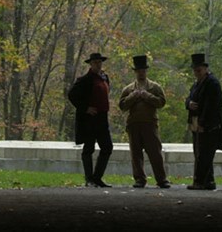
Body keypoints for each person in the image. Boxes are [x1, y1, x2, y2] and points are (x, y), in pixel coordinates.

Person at [119, 55, 171, 189]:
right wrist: (134, 96)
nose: (141, 73)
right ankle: (139, 179)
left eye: (143, 70)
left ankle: (161, 179)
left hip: (150, 124)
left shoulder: (154, 87)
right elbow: (122, 106)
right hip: (134, 125)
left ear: (146, 71)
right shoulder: (128, 89)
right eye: (138, 71)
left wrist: (147, 96)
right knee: (136, 154)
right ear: (135, 72)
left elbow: (161, 103)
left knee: (155, 153)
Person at [68, 52, 114, 188]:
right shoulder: (85, 79)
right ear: (91, 64)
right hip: (89, 119)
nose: (98, 65)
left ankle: (97, 177)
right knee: (89, 148)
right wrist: (85, 108)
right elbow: (72, 95)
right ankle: (89, 179)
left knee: (107, 147)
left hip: (102, 118)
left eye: (99, 62)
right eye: (95, 63)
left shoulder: (105, 78)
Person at [184, 53, 222, 190]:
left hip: (208, 125)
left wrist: (203, 123)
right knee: (199, 152)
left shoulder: (212, 83)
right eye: (195, 70)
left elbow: (212, 107)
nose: (197, 73)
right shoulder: (197, 83)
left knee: (204, 154)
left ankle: (200, 181)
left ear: (205, 69)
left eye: (199, 70)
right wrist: (189, 103)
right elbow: (189, 98)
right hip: (197, 123)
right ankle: (208, 181)